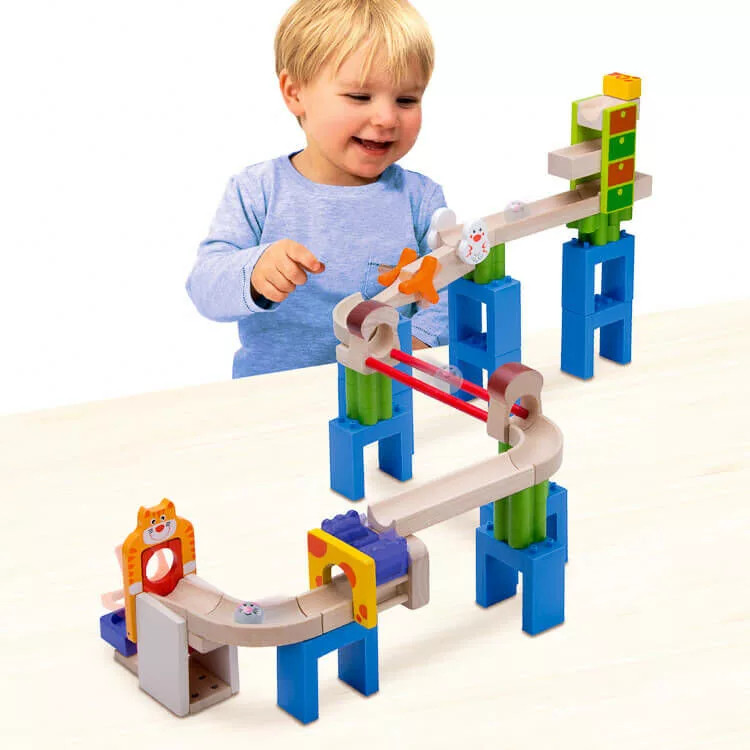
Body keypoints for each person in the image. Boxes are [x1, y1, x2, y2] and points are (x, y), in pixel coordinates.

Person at [186, 0, 449, 378]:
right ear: (295, 93)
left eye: (406, 100)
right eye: (359, 96)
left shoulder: (420, 199)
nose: (386, 118)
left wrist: (414, 347)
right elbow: (204, 286)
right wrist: (255, 272)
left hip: (382, 390)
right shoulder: (257, 190)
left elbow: (450, 292)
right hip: (276, 397)